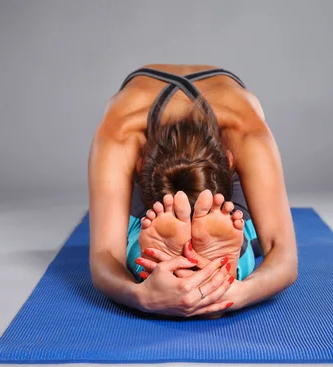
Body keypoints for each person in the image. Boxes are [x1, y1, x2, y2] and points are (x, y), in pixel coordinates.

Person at [88, 64, 297, 318]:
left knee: (136, 229)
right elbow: (282, 254)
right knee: (242, 227)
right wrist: (239, 292)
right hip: (191, 173)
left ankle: (162, 265)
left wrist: (138, 294)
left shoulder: (119, 133)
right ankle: (224, 269)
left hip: (199, 168)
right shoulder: (119, 134)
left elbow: (105, 255)